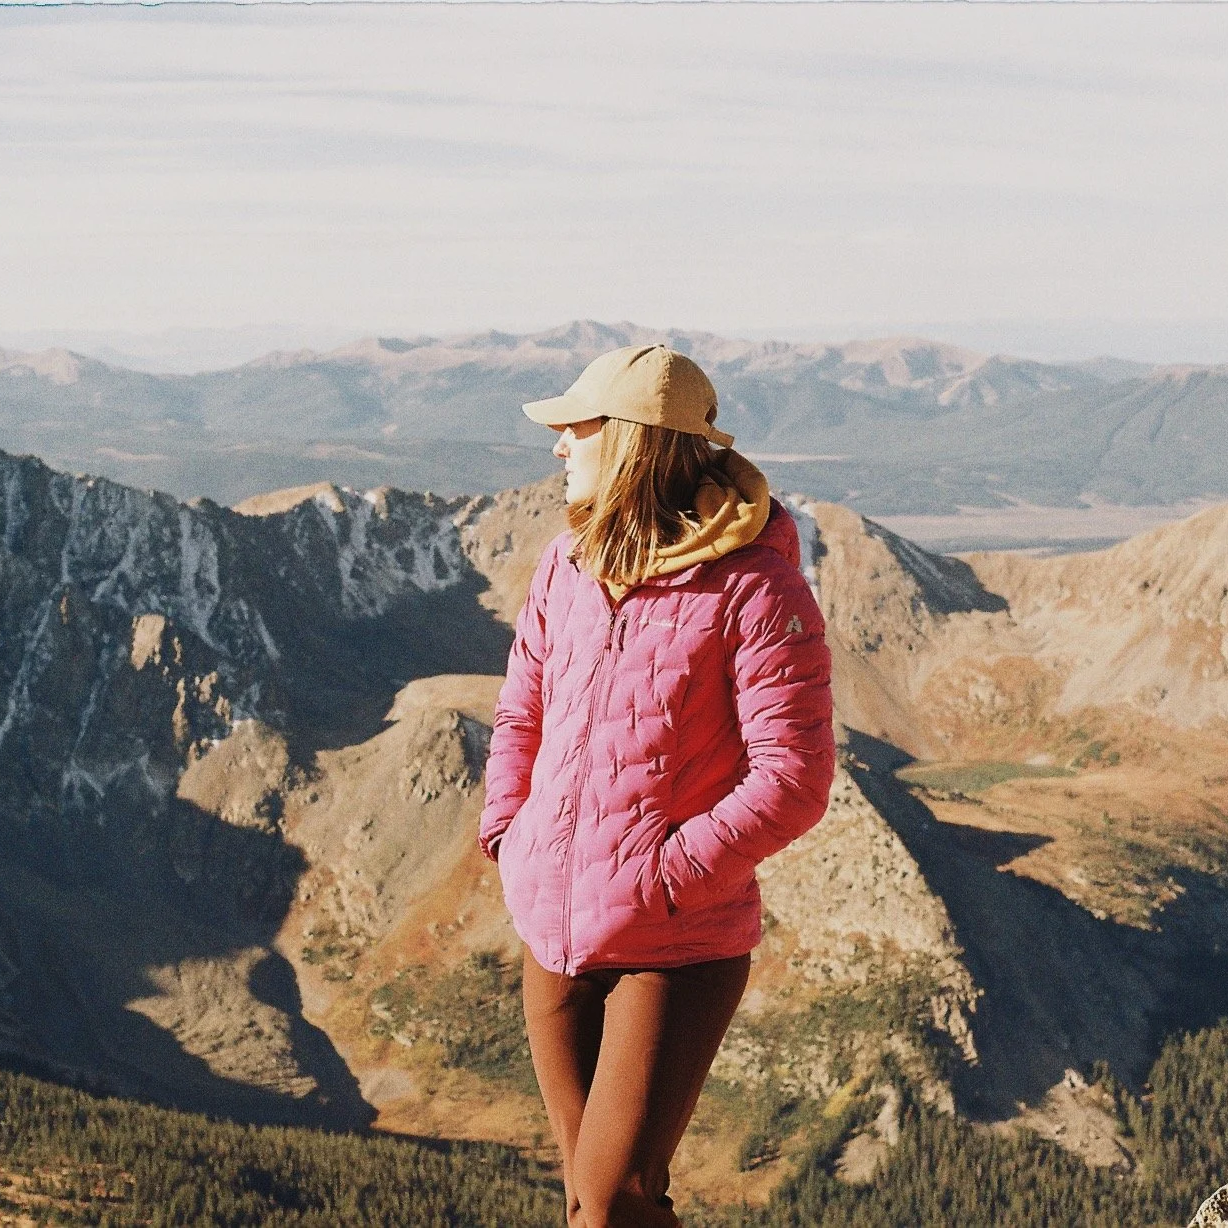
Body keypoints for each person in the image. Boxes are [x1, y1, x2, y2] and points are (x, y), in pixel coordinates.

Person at [477, 343, 836, 1228]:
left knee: (612, 1200)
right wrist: (508, 835)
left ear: (636, 441)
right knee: (591, 1197)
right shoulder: (566, 564)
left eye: (578, 427)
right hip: (553, 930)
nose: (559, 444)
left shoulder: (754, 586)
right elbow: (522, 709)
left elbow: (794, 776)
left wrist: (664, 878)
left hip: (672, 944)